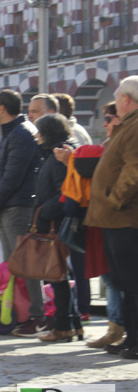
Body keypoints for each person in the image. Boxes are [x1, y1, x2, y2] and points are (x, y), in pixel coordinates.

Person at [0, 89, 44, 337]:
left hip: (18, 206)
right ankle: (22, 312)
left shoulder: (21, 133)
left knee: (25, 264)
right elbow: (0, 174)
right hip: (8, 205)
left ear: (3, 108)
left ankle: (37, 316)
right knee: (14, 266)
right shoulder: (13, 132)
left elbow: (13, 176)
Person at [85, 77, 138, 359]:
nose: (116, 103)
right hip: (115, 218)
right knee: (124, 284)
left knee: (132, 283)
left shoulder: (135, 126)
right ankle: (131, 338)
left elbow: (134, 170)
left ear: (127, 100)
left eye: (118, 98)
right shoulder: (127, 125)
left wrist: (114, 199)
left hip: (125, 217)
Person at [29, 113, 83, 343]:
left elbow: (65, 191)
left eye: (40, 132)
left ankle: (63, 327)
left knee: (57, 275)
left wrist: (43, 213)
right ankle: (73, 324)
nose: (37, 137)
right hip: (55, 221)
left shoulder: (59, 154)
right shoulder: (54, 153)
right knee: (60, 274)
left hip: (56, 223)